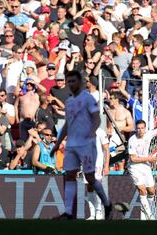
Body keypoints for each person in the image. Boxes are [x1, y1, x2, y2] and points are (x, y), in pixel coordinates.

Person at [51, 70, 112, 220]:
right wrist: (57, 144)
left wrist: (90, 133)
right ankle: (68, 212)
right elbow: (67, 124)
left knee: (90, 178)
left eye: (73, 81)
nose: (71, 84)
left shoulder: (88, 98)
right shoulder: (69, 102)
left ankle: (107, 204)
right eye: (69, 81)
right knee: (70, 175)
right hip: (72, 143)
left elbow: (97, 119)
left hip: (86, 144)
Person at [128, 119, 157, 220]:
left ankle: (145, 208)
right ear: (136, 129)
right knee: (142, 190)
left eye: (142, 128)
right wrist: (149, 158)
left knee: (151, 191)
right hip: (135, 166)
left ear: (145, 128)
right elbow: (133, 158)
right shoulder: (132, 140)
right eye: (138, 128)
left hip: (145, 166)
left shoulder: (148, 134)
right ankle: (150, 215)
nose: (140, 130)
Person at [85, 127, 110, 220]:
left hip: (97, 164)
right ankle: (92, 214)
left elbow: (106, 149)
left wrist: (106, 165)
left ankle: (99, 211)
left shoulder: (100, 131)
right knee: (89, 187)